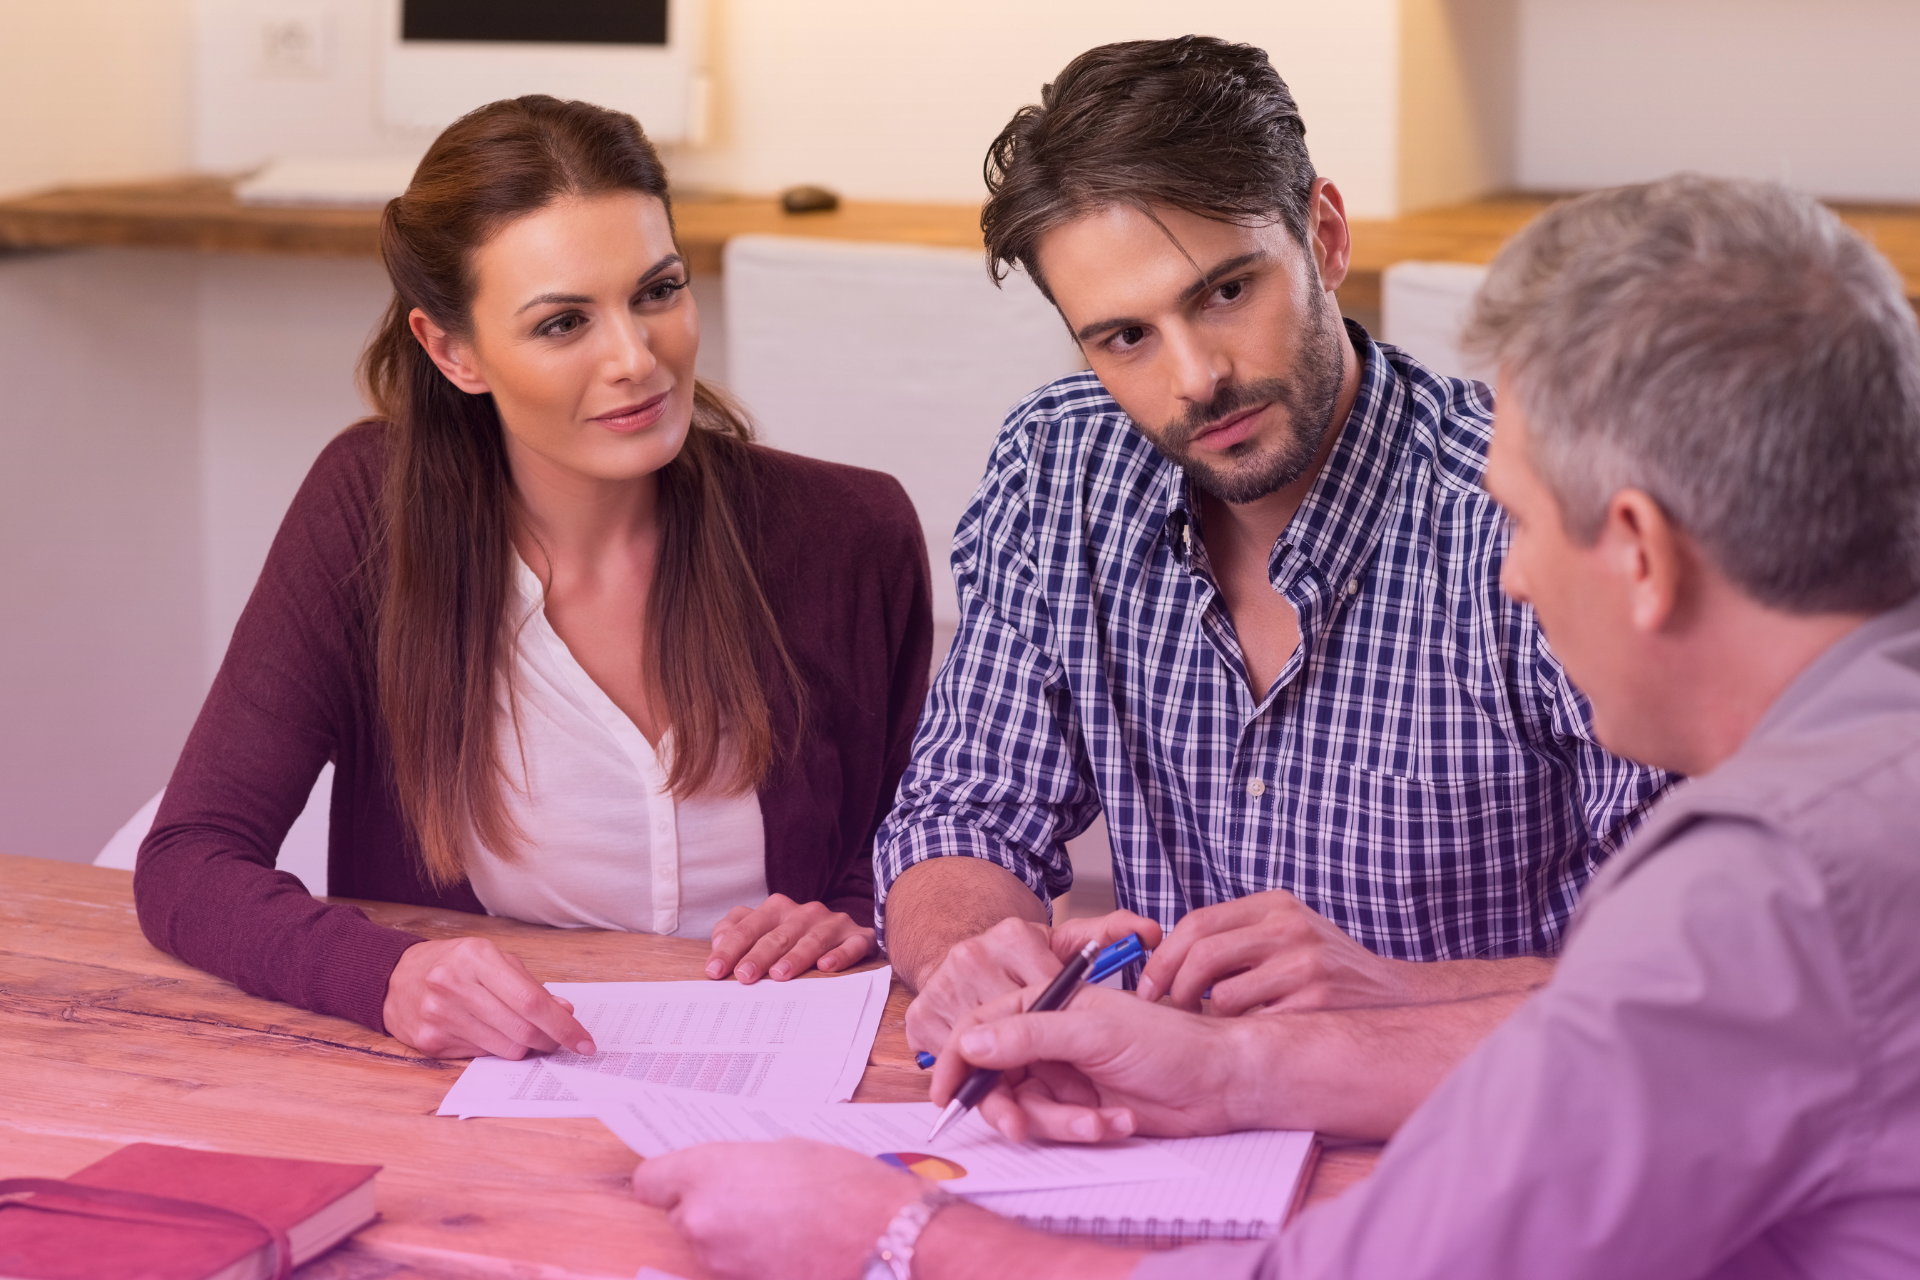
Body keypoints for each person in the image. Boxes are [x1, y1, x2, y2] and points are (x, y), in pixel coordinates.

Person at [632, 176, 1920, 1279]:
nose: (1514, 572)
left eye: (1523, 522)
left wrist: (896, 1228)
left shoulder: (1771, 882)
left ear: (1636, 549)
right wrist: (1236, 1070)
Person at [878, 34, 1668, 1073]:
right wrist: (978, 962)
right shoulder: (1057, 465)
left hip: (1484, 1131)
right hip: (1168, 1126)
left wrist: (1397, 991)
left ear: (1325, 237)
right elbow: (960, 813)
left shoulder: (1520, 508)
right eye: (1126, 338)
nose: (1196, 376)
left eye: (1225, 292)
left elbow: (1716, 965)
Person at [134, 96, 932, 1061]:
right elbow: (189, 862)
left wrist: (861, 910)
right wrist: (386, 976)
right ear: (453, 350)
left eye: (658, 290)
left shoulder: (851, 534)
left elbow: (913, 838)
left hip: (790, 1073)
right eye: (563, 323)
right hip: (485, 1093)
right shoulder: (369, 513)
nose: (637, 359)